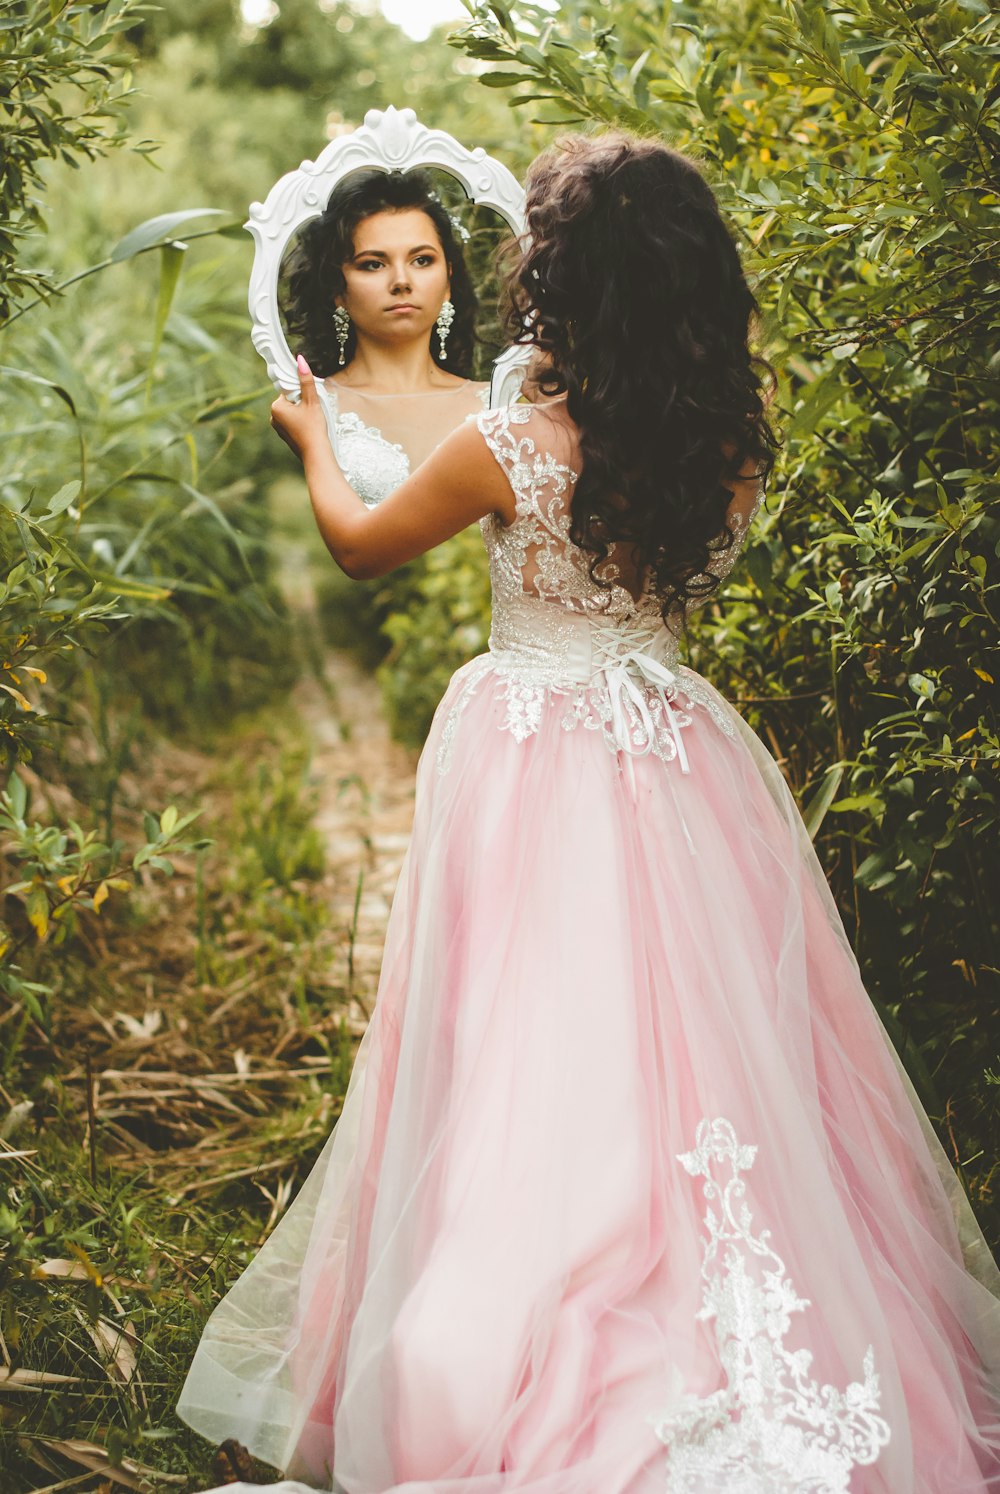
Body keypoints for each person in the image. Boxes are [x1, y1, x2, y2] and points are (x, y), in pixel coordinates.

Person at [178, 129, 1000, 1493]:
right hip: (683, 758)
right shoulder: (730, 434)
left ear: (562, 279)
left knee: (520, 1038)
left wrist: (315, 433)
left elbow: (358, 543)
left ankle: (527, 1294)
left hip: (528, 758)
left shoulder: (515, 443)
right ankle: (736, 1302)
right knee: (711, 1050)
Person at [281, 166, 490, 506]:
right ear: (337, 289)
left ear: (448, 278)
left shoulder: (497, 403)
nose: (402, 281)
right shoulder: (313, 410)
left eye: (422, 260)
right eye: (373, 264)